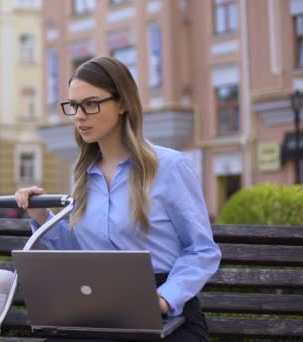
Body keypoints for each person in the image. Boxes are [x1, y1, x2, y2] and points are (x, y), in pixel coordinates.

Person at [15, 56, 221, 342]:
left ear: (122, 103)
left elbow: (201, 251)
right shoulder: (83, 174)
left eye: (90, 104)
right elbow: (81, 253)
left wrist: (164, 298)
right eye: (74, 106)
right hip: (100, 310)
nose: (79, 116)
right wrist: (42, 218)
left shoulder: (170, 166)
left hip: (167, 312)